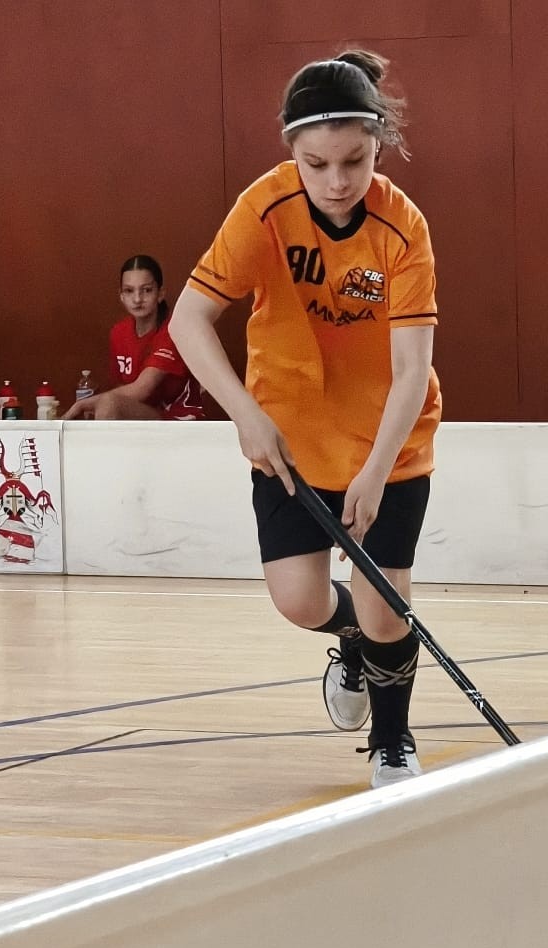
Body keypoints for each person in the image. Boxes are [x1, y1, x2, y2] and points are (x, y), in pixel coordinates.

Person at [169, 49, 439, 788]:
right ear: (293, 151)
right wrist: (246, 415)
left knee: (387, 607)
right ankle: (351, 640)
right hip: (288, 439)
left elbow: (411, 369)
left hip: (389, 441)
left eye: (355, 161)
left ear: (378, 144)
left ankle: (393, 741)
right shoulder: (264, 209)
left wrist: (376, 472)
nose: (338, 182)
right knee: (298, 601)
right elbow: (189, 319)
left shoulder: (403, 227)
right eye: (317, 164)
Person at [63, 255, 206, 421]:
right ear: (121, 296)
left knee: (109, 403)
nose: (137, 299)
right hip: (142, 414)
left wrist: (83, 404)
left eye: (147, 290)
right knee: (106, 405)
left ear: (160, 294)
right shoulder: (119, 332)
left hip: (179, 419)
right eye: (129, 291)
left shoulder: (172, 329)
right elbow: (120, 387)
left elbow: (142, 389)